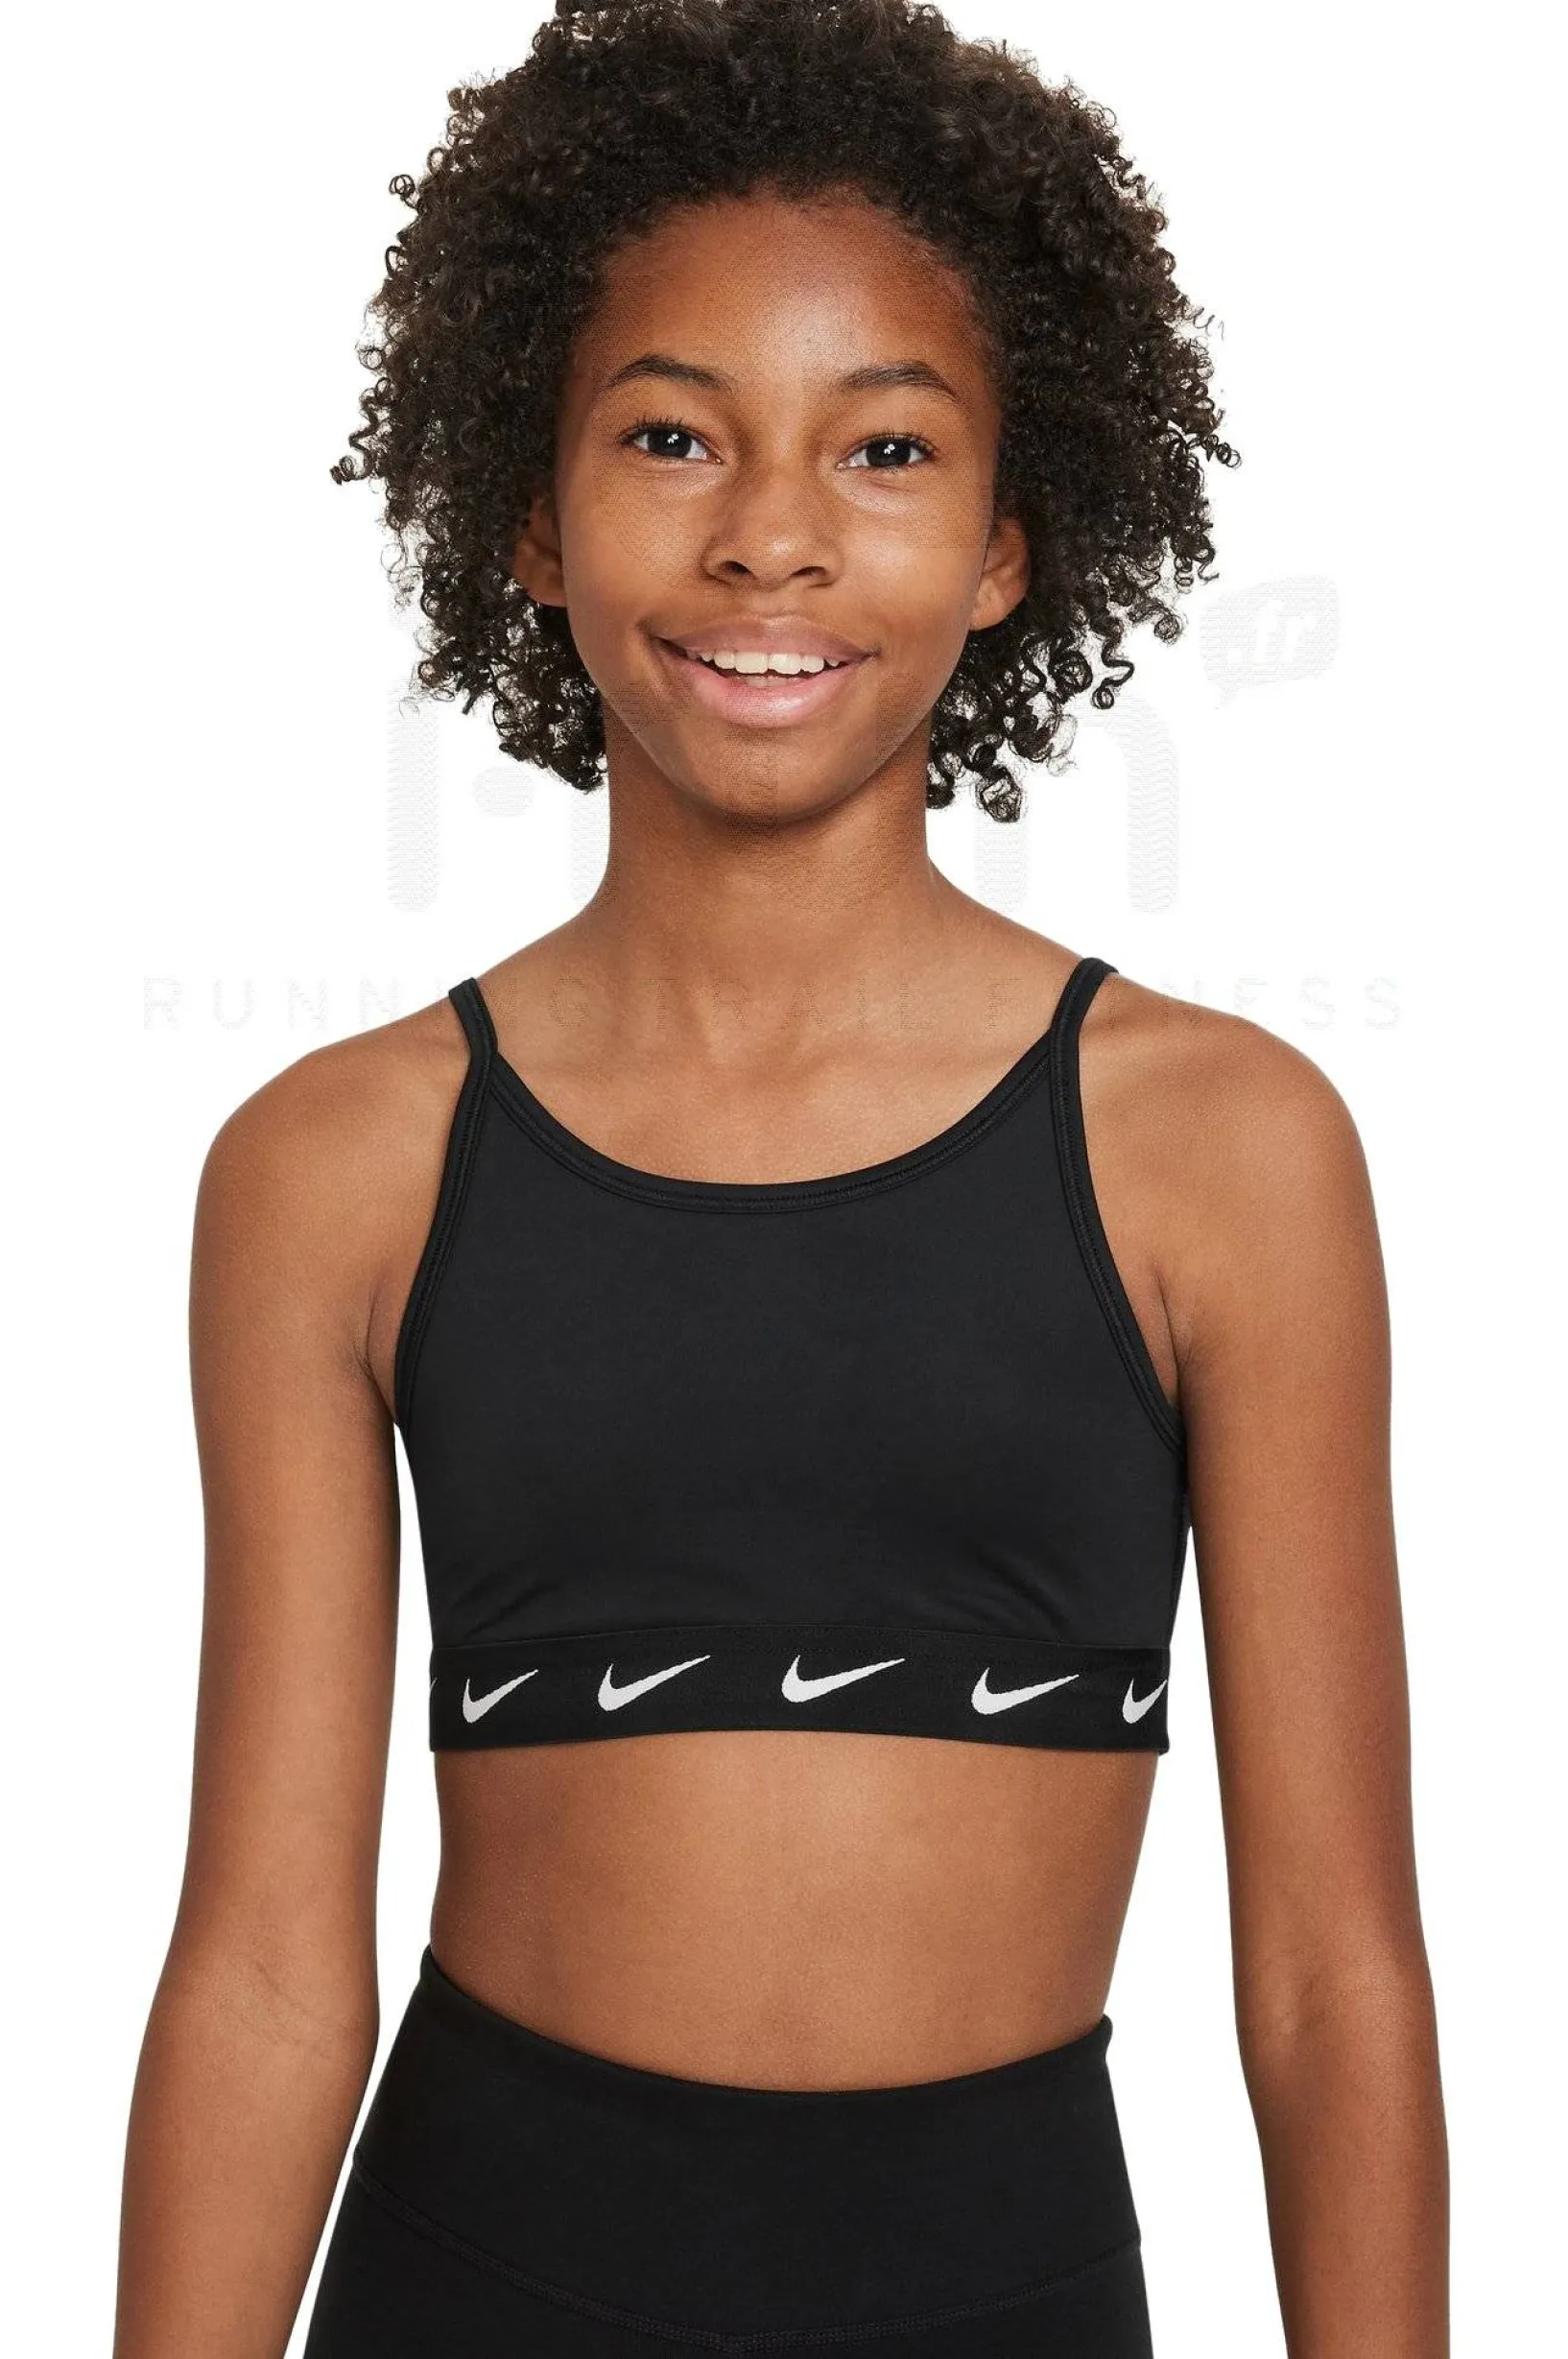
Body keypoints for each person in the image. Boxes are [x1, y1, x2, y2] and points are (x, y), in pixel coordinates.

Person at [112, 3, 1448, 2352]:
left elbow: (1333, 1973)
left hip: (1008, 2290)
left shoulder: (1219, 1149)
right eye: (667, 433)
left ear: (1011, 540)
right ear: (527, 512)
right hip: (476, 2281)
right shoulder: (337, 1164)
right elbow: (261, 1965)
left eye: (886, 446)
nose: (769, 533)